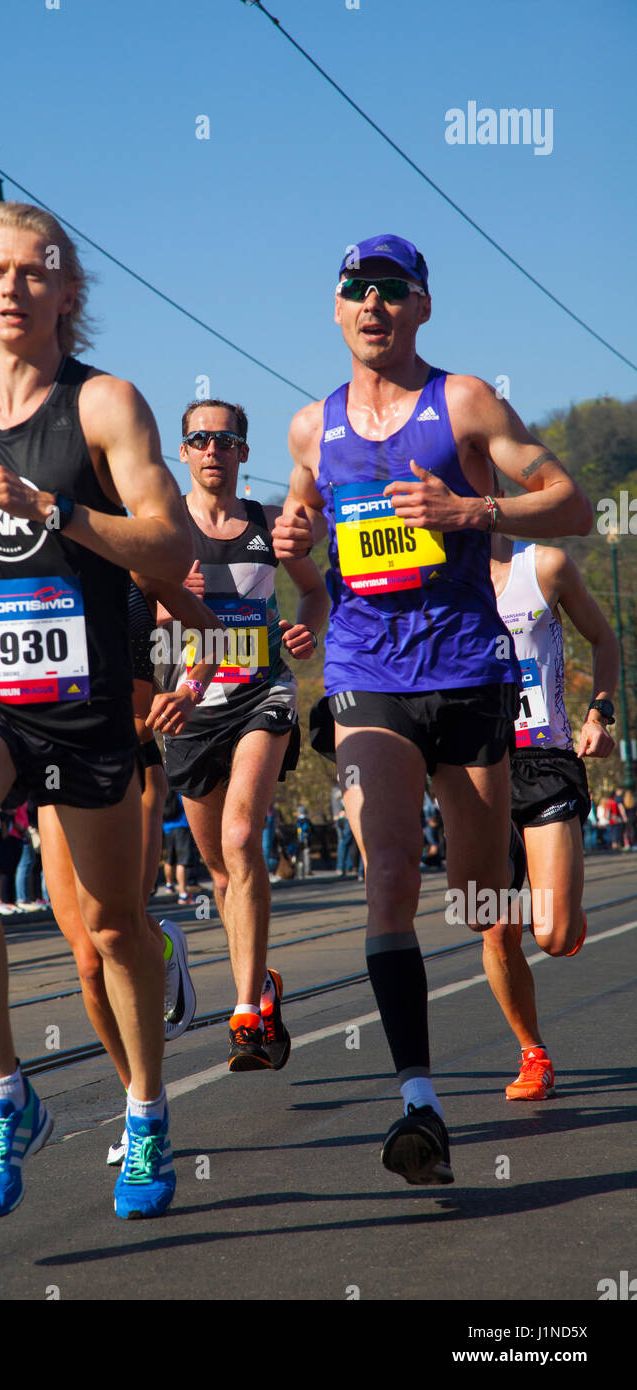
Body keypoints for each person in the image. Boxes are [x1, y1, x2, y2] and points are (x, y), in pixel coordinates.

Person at [0, 201, 191, 1222]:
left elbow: (172, 547)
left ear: (68, 292)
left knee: (109, 925)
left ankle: (144, 1110)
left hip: (81, 693)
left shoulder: (106, 407)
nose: (12, 289)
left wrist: (52, 509)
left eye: (34, 273)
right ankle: (4, 1095)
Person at [273, 233, 592, 1184]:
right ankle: (419, 1100)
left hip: (468, 669)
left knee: (479, 897)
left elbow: (569, 501)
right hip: (367, 669)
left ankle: (522, 924)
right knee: (390, 881)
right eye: (354, 291)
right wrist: (295, 544)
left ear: (420, 305)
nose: (370, 305)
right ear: (336, 310)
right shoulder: (309, 428)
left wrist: (472, 514)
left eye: (390, 290)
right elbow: (307, 557)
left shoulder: (465, 403)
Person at [157, 399, 330, 1072]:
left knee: (239, 837)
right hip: (191, 707)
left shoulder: (267, 524)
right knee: (224, 873)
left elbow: (315, 593)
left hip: (262, 692)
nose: (212, 449)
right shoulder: (161, 526)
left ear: (243, 452)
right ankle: (261, 983)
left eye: (225, 439)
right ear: (183, 451)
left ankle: (244, 1017)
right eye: (198, 438)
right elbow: (129, 606)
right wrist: (165, 581)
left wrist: (307, 628)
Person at [38, 573, 224, 1166]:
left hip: (131, 764)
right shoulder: (32, 571)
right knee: (88, 965)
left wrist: (189, 691)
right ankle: (140, 1099)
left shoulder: (132, 565)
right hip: (55, 775)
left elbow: (215, 637)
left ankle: (145, 1116)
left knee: (116, 932)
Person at [486, 533, 618, 1099]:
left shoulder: (543, 565)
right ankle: (532, 1053)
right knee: (495, 925)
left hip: (547, 761)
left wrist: (600, 715)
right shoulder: (433, 578)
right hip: (475, 768)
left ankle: (564, 912)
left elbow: (603, 638)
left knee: (555, 936)